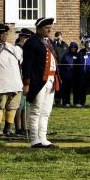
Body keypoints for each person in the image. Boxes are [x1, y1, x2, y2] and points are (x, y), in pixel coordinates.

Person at [21, 17, 60, 148]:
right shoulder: (32, 43)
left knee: (46, 111)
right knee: (36, 110)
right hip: (38, 81)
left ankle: (43, 138)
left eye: (50, 27)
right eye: (46, 28)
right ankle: (34, 139)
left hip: (50, 80)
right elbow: (26, 65)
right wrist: (26, 83)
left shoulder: (49, 42)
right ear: (38, 29)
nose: (49, 30)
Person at [14, 29, 32, 136]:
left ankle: (24, 127)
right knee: (19, 105)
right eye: (25, 38)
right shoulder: (17, 49)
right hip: (19, 78)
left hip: (26, 78)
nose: (27, 40)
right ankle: (18, 128)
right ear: (21, 37)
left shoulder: (26, 49)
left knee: (26, 105)